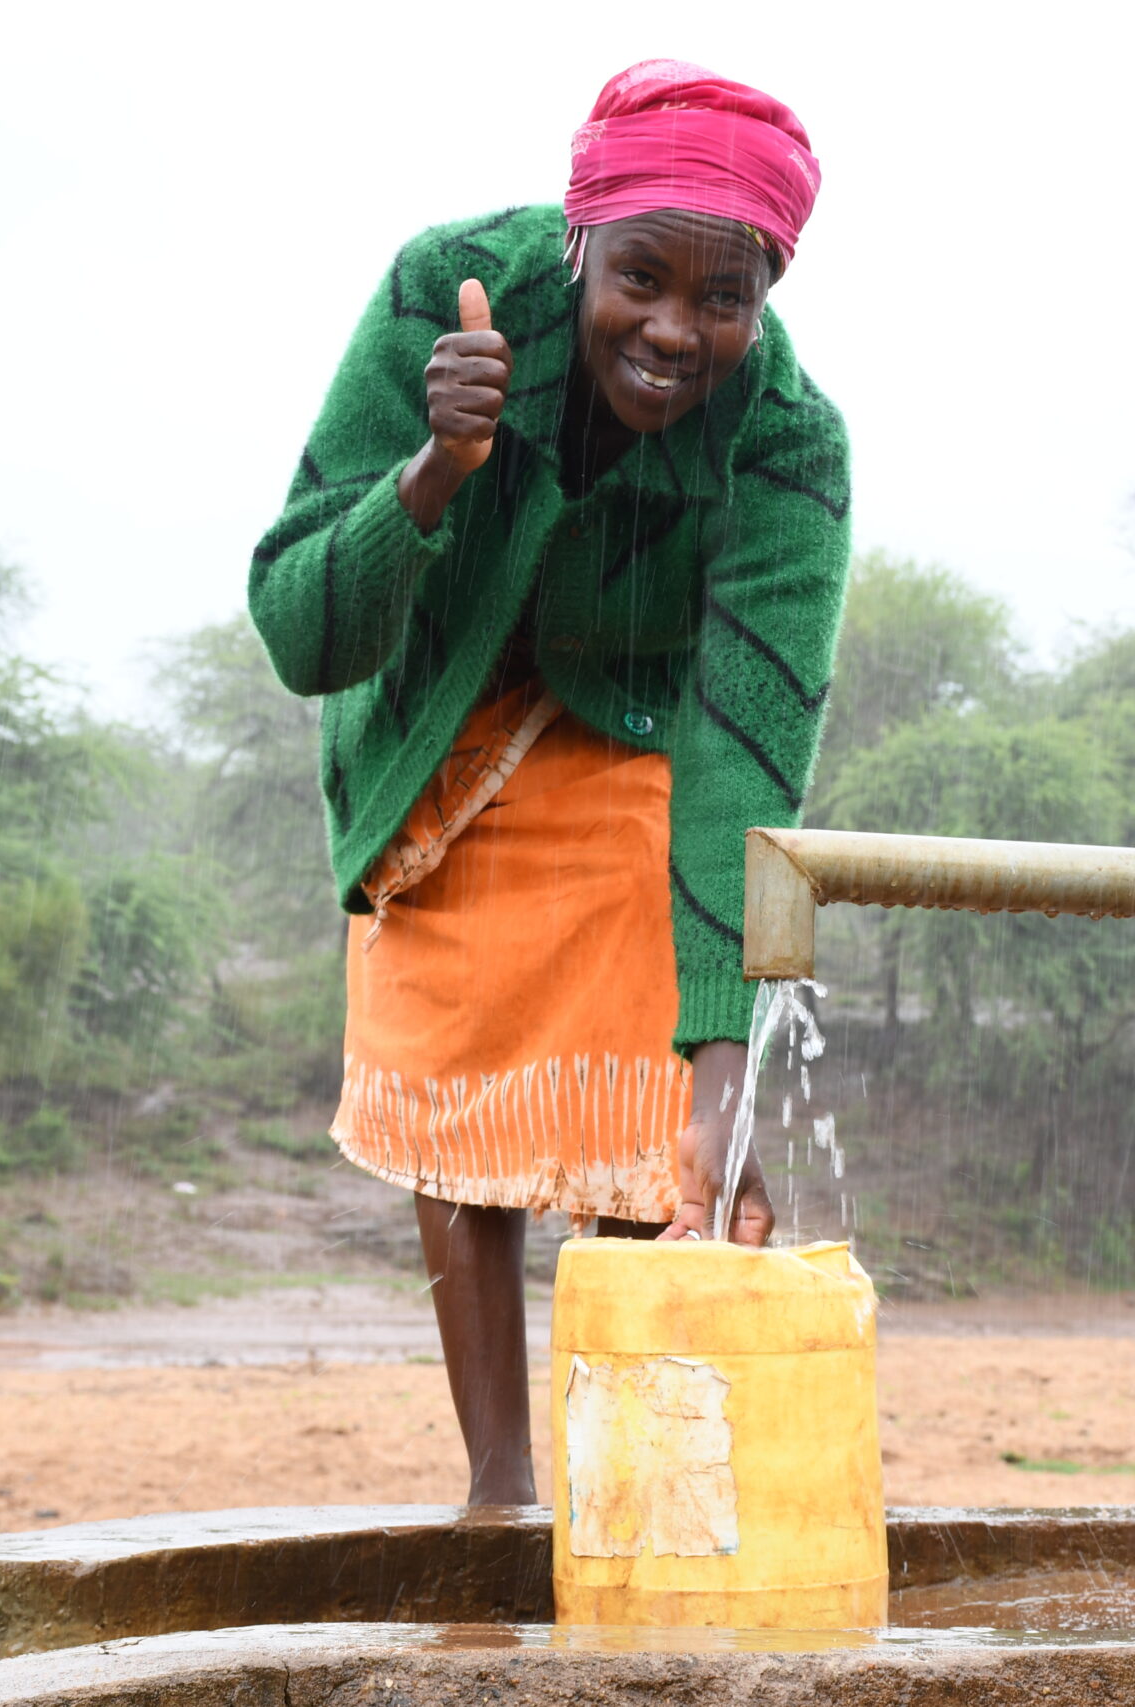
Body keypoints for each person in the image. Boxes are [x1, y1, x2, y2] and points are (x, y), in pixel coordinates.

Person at [248, 60, 849, 1505]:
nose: (674, 332)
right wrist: (436, 472)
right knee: (458, 1086)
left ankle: (642, 1497)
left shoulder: (786, 443)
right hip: (435, 739)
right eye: (641, 277)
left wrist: (727, 1055)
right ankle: (502, 1492)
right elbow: (299, 629)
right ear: (579, 240)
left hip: (627, 744)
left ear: (766, 292)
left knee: (666, 1129)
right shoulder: (440, 295)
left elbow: (743, 752)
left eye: (726, 299)